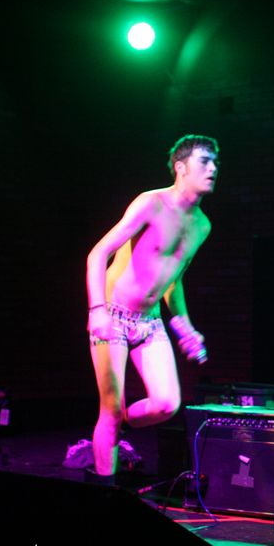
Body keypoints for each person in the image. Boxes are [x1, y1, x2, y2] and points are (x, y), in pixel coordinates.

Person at [82, 134, 219, 481]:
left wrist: (186, 327)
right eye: (204, 161)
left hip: (150, 321)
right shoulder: (151, 203)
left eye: (215, 162)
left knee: (167, 404)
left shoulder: (202, 225)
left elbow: (174, 281)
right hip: (113, 314)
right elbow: (98, 254)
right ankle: (104, 484)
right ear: (181, 167)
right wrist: (96, 310)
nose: (213, 168)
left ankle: (118, 424)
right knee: (109, 409)